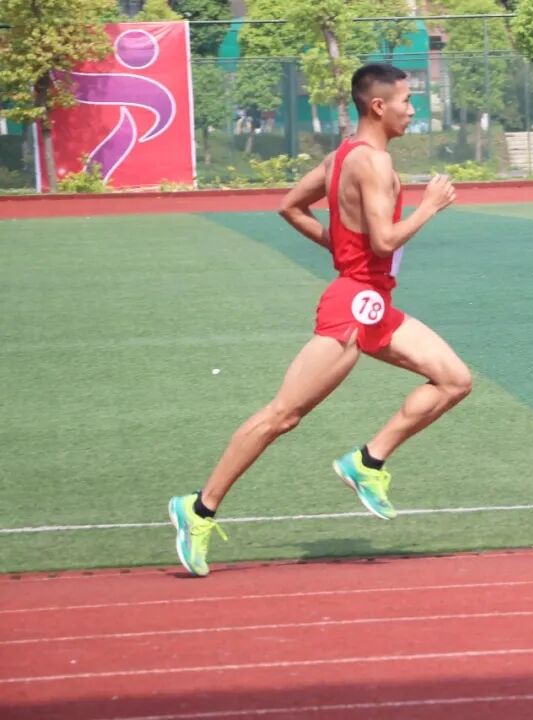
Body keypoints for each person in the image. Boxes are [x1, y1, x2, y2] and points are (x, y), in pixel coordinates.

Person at [168, 63, 470, 576]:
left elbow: (290, 207)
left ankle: (367, 462)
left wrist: (344, 250)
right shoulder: (373, 163)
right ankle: (198, 508)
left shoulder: (340, 157)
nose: (412, 109)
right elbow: (384, 241)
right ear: (378, 106)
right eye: (406, 100)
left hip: (373, 303)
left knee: (454, 379)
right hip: (351, 309)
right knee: (282, 415)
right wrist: (429, 208)